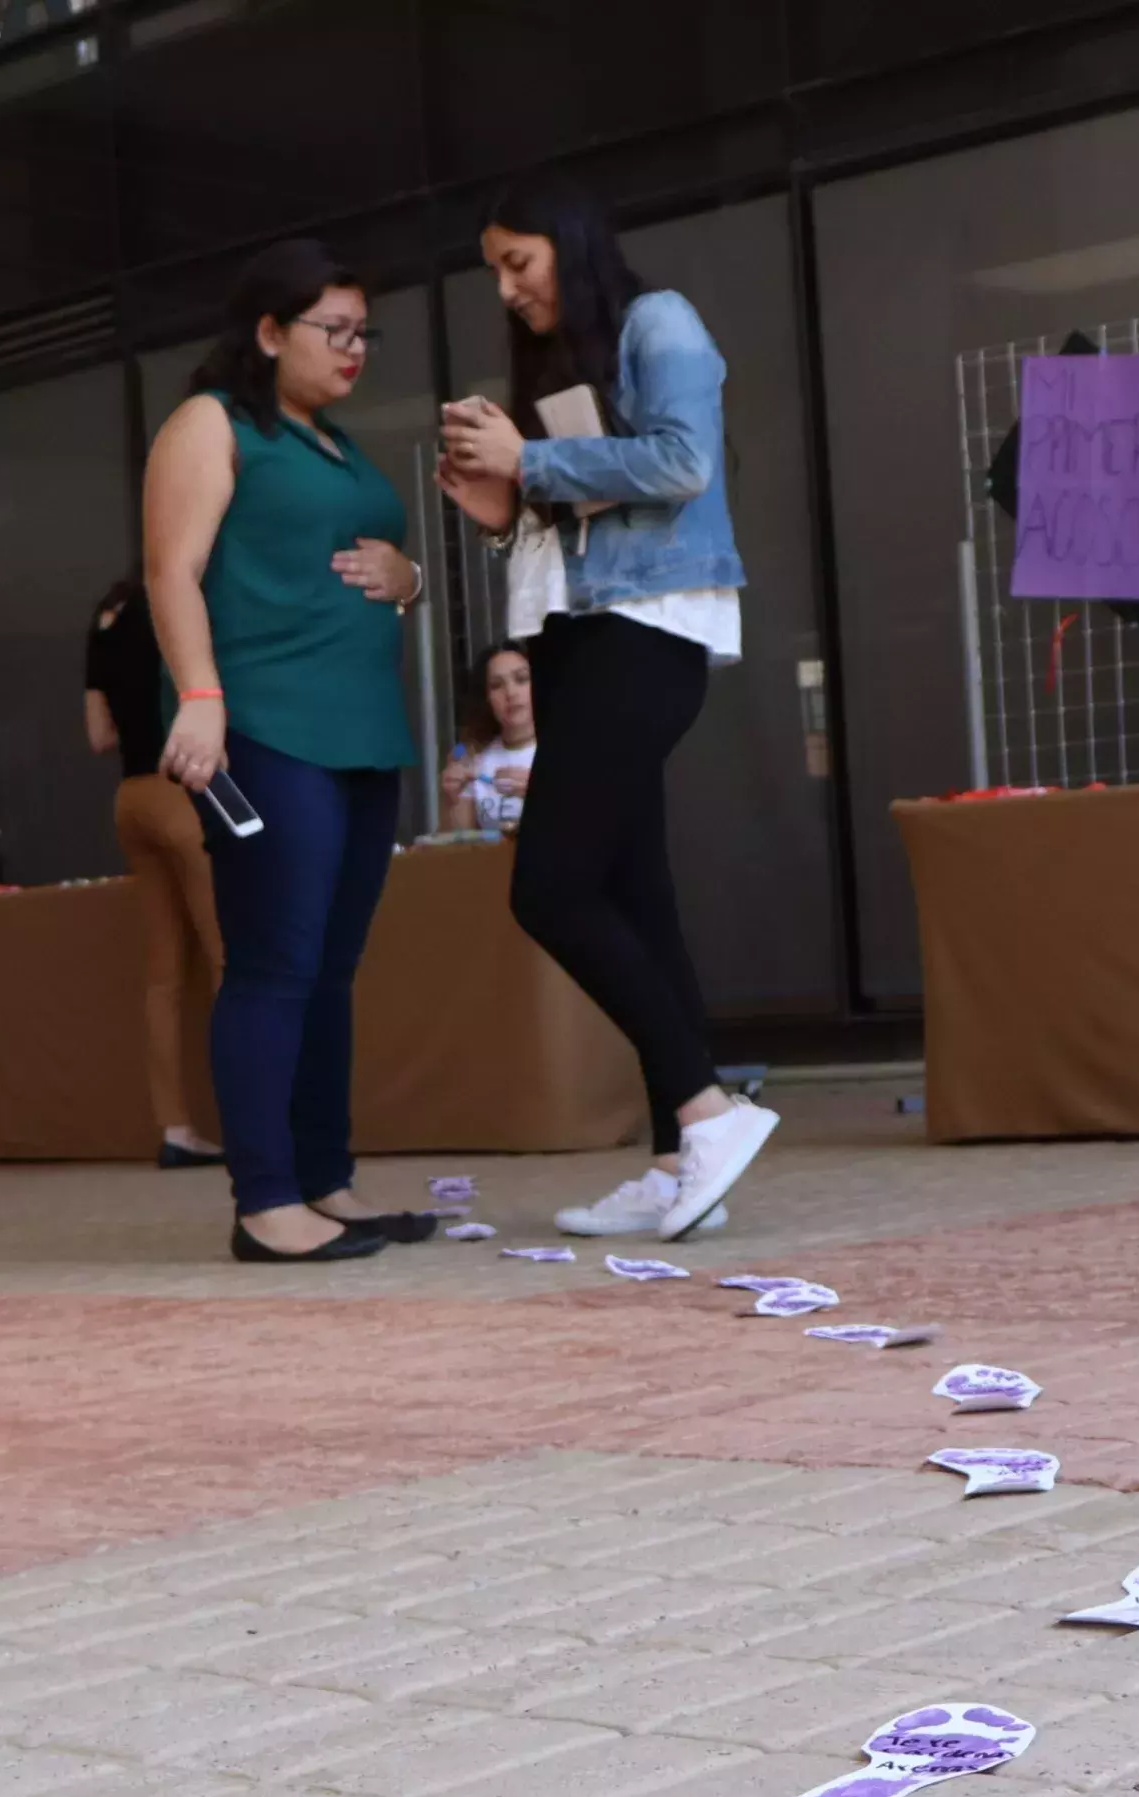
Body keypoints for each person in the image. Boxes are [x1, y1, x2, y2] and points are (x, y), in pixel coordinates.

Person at [437, 173, 775, 1244]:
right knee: (638, 895)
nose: (506, 286)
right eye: (494, 267)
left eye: (519, 261)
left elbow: (683, 459)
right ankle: (683, 1162)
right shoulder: (562, 355)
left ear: (571, 246)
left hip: (648, 628)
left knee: (549, 887)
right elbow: (572, 520)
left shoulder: (658, 319)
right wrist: (502, 509)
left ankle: (705, 1110)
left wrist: (526, 456)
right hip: (576, 633)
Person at [144, 236, 428, 1263]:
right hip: (267, 727)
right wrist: (202, 700)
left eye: (366, 333)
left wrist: (412, 578)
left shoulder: (335, 444)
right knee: (273, 962)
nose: (356, 350)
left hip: (360, 731)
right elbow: (171, 571)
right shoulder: (211, 425)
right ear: (269, 332)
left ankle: (324, 1180)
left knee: (332, 969)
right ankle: (266, 1203)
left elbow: (374, 565)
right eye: (334, 330)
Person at [86, 575, 225, 1167]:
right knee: (230, 959)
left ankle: (175, 1127)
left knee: (164, 976)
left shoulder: (106, 614)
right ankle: (255, 1122)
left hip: (131, 799)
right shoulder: (189, 599)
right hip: (183, 792)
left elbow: (98, 735)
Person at [440, 644, 539, 834]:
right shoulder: (475, 759)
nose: (510, 693)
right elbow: (458, 849)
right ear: (487, 698)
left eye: (521, 679)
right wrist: (452, 799)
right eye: (496, 685)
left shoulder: (565, 751)